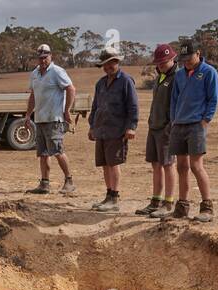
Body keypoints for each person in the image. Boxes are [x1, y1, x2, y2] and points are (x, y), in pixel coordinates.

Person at [166, 40, 218, 222]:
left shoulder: (208, 72)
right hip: (179, 124)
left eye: (189, 58)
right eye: (184, 59)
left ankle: (207, 207)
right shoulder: (180, 75)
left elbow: (213, 99)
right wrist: (174, 120)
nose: (187, 62)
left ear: (198, 53)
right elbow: (174, 99)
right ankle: (182, 207)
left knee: (196, 166)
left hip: (196, 124)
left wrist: (205, 121)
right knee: (181, 167)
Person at [87, 50, 138, 212]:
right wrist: (92, 126)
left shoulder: (126, 81)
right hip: (101, 129)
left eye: (111, 63)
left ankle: (114, 197)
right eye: (105, 64)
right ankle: (108, 195)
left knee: (113, 163)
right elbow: (95, 107)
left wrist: (131, 127)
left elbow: (133, 106)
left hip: (117, 130)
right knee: (104, 164)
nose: (108, 66)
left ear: (117, 62)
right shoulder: (100, 83)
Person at [24, 43, 77, 196]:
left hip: (54, 118)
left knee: (58, 150)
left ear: (50, 56)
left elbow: (71, 88)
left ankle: (69, 181)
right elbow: (33, 95)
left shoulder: (57, 71)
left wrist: (66, 110)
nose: (43, 60)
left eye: (45, 57)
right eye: (40, 58)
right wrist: (28, 115)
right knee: (43, 153)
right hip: (40, 118)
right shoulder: (34, 73)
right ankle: (44, 184)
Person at [138, 44, 179, 218]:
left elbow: (177, 103)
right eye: (159, 62)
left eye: (164, 62)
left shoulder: (177, 77)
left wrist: (170, 126)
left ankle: (168, 203)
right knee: (155, 164)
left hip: (166, 128)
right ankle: (156, 200)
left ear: (172, 59)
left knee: (168, 164)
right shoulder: (159, 76)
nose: (161, 65)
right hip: (153, 126)